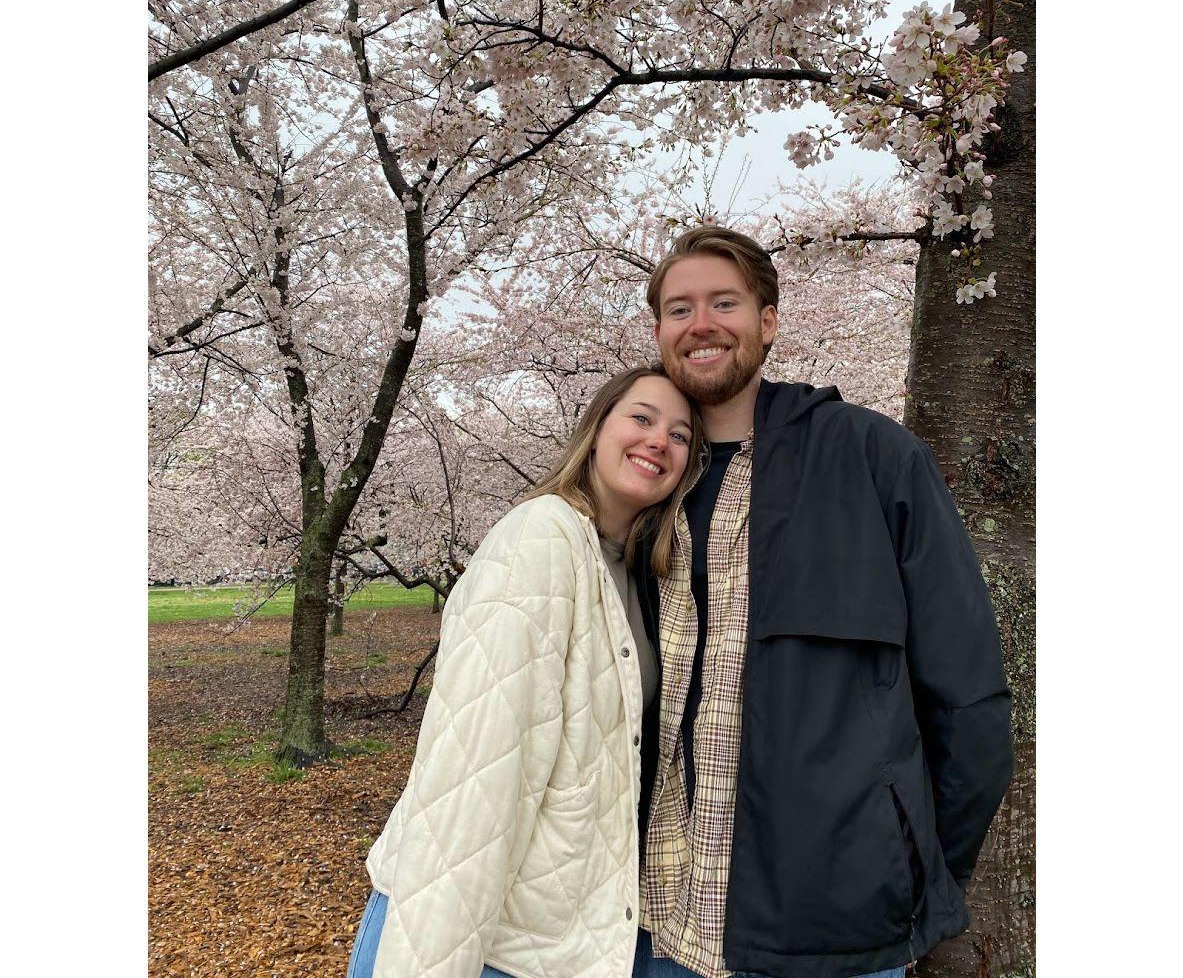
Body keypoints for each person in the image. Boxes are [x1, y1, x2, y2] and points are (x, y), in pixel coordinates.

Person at [634, 227, 1014, 978]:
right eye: (679, 308)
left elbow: (969, 699)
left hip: (830, 931)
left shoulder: (874, 457)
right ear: (659, 331)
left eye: (723, 302)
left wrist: (906, 871)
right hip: (652, 919)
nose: (700, 323)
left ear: (767, 320)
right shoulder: (642, 483)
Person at [347, 365, 706, 978]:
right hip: (482, 936)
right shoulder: (540, 540)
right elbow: (476, 768)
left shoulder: (630, 570)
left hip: (548, 934)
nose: (657, 441)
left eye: (679, 436)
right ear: (596, 430)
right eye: (641, 418)